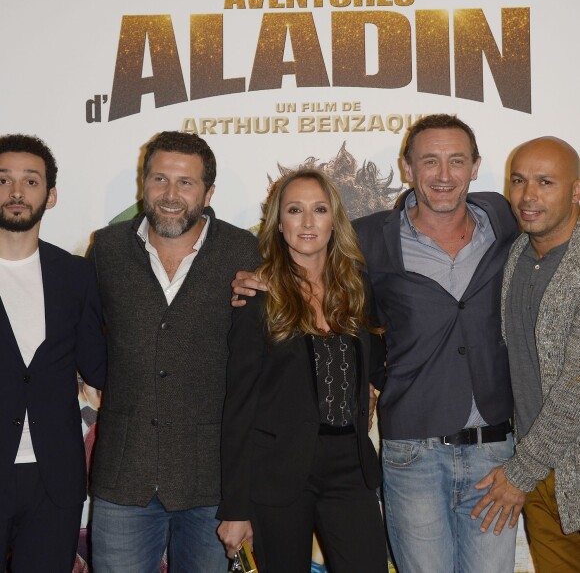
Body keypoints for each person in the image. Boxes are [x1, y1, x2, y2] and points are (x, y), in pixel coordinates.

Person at [232, 115, 520, 572]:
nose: (443, 175)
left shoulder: (506, 219)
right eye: (429, 161)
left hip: (493, 451)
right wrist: (255, 275)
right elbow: (301, 255)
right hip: (412, 450)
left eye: (456, 161)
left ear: (476, 166)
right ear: (407, 168)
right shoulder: (371, 239)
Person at [89, 131, 261, 572]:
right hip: (122, 476)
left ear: (208, 192)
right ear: (142, 184)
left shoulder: (247, 251)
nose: (170, 195)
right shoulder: (105, 249)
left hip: (212, 482)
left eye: (185, 183)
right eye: (159, 179)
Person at [217, 169, 388, 572]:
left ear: (335, 220)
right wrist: (235, 508)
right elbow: (238, 405)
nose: (308, 222)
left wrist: (372, 387)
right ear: (279, 223)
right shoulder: (259, 296)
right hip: (277, 470)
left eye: (319, 209)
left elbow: (379, 347)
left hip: (350, 463)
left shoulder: (356, 287)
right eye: (295, 210)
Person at [471, 137, 580, 571]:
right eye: (518, 180)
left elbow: (576, 386)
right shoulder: (515, 254)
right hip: (539, 477)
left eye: (545, 182)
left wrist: (520, 472)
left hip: (536, 468)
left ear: (576, 191)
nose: (527, 196)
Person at [0, 134, 106, 571]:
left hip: (55, 481)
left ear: (52, 195)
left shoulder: (77, 275)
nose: (16, 192)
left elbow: (102, 366)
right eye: (3, 180)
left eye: (30, 181)